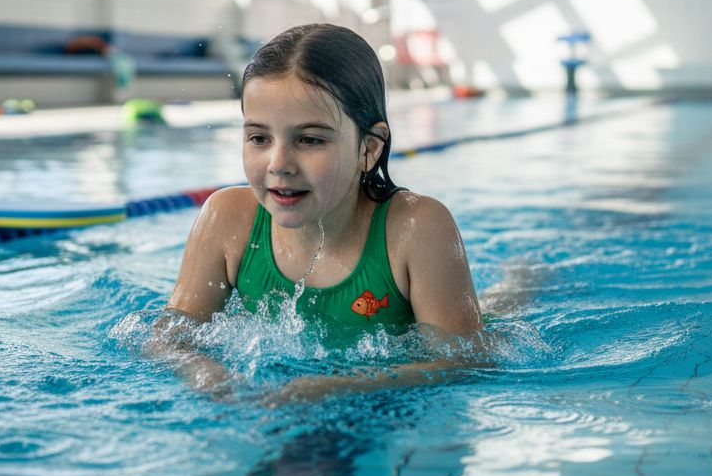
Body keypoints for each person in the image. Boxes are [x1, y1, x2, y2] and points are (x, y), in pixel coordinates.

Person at [147, 23, 486, 403]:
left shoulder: (415, 229)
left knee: (492, 309)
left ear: (369, 149)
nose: (279, 163)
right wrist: (204, 371)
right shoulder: (227, 219)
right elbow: (167, 337)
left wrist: (334, 389)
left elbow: (462, 362)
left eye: (310, 140)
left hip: (380, 411)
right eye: (259, 138)